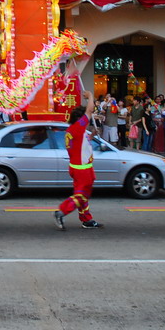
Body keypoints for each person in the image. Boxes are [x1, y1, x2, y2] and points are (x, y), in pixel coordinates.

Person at [54, 90, 103, 230]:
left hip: (78, 167)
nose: (87, 120)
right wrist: (90, 96)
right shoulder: (77, 128)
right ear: (80, 119)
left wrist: (92, 135)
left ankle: (86, 219)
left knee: (83, 195)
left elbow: (82, 143)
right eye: (85, 118)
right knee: (81, 196)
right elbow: (89, 110)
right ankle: (61, 212)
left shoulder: (74, 131)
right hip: (82, 169)